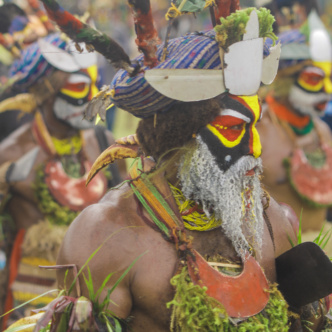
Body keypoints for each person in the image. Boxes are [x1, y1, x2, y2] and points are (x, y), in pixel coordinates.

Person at [7, 0, 332, 331]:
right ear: (181, 135)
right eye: (234, 129)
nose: (256, 149)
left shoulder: (274, 220)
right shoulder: (108, 236)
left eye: (255, 126)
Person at [0, 33, 124, 327]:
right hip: (32, 293)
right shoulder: (13, 154)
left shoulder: (103, 142)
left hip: (99, 289)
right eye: (78, 86)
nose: (89, 97)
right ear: (46, 90)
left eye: (93, 84)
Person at [257, 10, 332, 233]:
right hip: (279, 257)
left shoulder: (321, 130)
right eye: (313, 79)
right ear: (282, 80)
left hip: (320, 249)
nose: (326, 91)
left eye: (329, 79)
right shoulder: (258, 130)